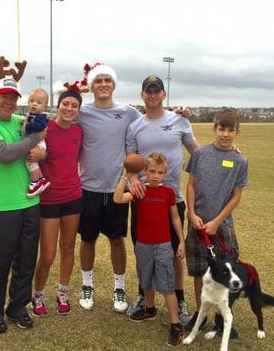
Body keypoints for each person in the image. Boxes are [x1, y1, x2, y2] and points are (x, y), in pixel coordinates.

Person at [0, 76, 46, 334]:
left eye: (13, 97)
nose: (8, 101)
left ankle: (17, 308)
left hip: (30, 201)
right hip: (0, 207)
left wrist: (41, 149)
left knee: (27, 261)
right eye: (3, 96)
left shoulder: (20, 122)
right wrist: (34, 138)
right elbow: (4, 155)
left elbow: (42, 147)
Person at [125, 75, 198, 326]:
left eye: (157, 91)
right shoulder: (135, 126)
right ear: (142, 94)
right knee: (142, 248)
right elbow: (131, 163)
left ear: (164, 94)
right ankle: (145, 299)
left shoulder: (179, 119)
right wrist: (133, 179)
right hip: (144, 200)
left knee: (175, 253)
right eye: (148, 91)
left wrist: (227, 150)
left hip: (172, 198)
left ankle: (179, 299)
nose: (153, 95)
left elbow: (196, 152)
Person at [76, 63, 143, 313]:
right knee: (88, 239)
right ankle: (87, 285)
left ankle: (119, 287)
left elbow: (150, 123)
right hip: (88, 188)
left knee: (117, 240)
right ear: (91, 85)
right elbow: (56, 122)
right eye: (98, 80)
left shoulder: (128, 112)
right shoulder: (82, 112)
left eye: (107, 80)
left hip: (117, 189)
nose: (103, 84)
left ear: (113, 85)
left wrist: (180, 115)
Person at [184, 108, 248, 329]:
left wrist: (218, 221)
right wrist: (192, 214)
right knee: (198, 271)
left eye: (231, 130)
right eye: (222, 129)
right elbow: (191, 185)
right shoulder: (200, 154)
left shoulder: (240, 161)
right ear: (214, 128)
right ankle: (199, 315)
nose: (226, 134)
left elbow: (236, 195)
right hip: (198, 223)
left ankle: (223, 317)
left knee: (229, 270)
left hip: (223, 225)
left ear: (237, 132)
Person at [114, 153, 185, 346]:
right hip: (143, 245)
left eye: (160, 172)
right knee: (146, 280)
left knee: (167, 285)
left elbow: (175, 218)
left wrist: (180, 241)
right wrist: (126, 176)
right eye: (152, 171)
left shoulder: (168, 192)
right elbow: (118, 198)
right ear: (145, 171)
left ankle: (176, 324)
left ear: (165, 173)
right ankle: (150, 309)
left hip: (163, 246)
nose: (155, 176)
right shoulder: (139, 191)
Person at [32, 89, 83, 317]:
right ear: (58, 105)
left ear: (78, 109)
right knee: (48, 253)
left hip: (73, 196)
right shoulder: (45, 128)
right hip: (49, 199)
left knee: (68, 248)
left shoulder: (79, 131)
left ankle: (63, 293)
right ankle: (38, 294)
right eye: (66, 104)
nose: (69, 109)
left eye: (74, 105)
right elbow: (31, 148)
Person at [23, 88, 51, 197]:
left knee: (30, 162)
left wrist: (26, 127)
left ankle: (35, 183)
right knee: (34, 163)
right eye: (32, 101)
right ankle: (41, 180)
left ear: (44, 107)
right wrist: (24, 121)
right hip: (37, 142)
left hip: (38, 143)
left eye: (39, 103)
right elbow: (29, 120)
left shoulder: (42, 116)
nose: (34, 104)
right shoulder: (32, 115)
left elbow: (39, 126)